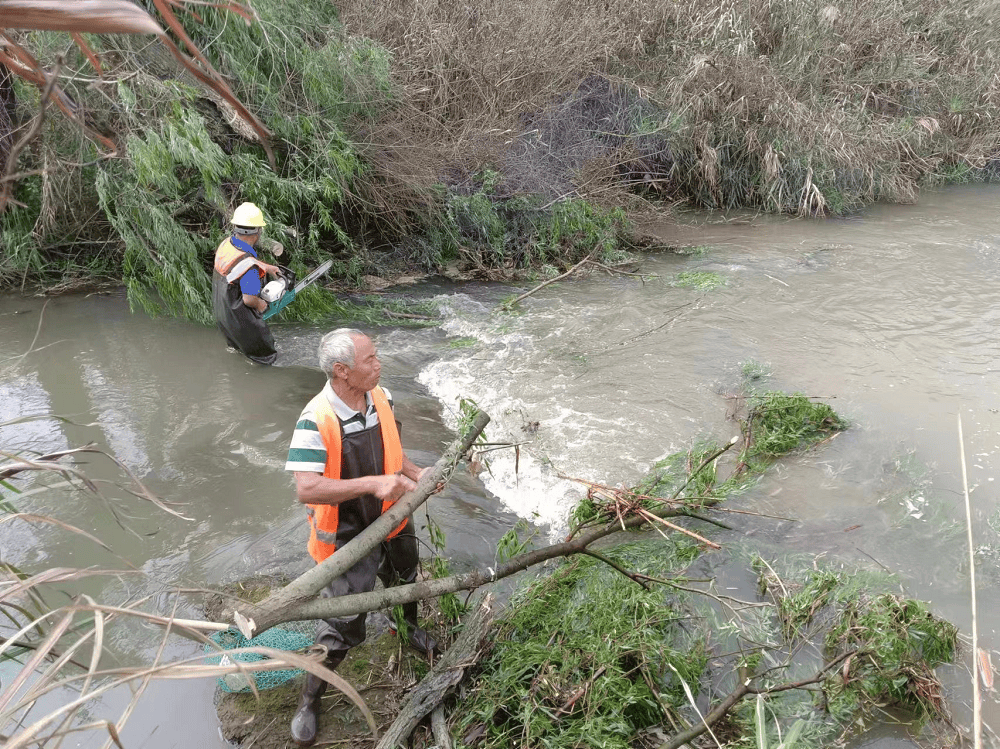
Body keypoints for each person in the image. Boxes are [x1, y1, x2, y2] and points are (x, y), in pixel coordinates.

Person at [285, 328, 438, 747]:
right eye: (370, 359)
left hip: (394, 518)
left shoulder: (382, 396)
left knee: (405, 579)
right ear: (341, 370)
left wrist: (414, 473)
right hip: (346, 535)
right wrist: (373, 484)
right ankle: (310, 698)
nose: (379, 364)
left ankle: (405, 629)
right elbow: (307, 488)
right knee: (342, 621)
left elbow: (394, 448)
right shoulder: (315, 419)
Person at [212, 202, 283, 364]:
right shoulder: (249, 268)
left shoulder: (226, 245)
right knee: (265, 360)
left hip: (225, 317)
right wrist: (261, 305)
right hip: (243, 323)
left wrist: (265, 267)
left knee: (238, 353)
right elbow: (249, 299)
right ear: (257, 232)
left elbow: (236, 266)